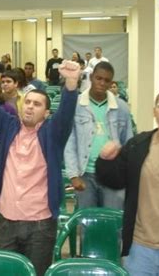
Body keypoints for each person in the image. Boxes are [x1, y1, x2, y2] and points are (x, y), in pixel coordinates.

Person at [0, 47, 80, 276]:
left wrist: (71, 84)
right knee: (2, 272)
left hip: (40, 224)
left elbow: (66, 114)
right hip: (6, 221)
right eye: (28, 102)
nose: (30, 107)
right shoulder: (8, 126)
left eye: (37, 104)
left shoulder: (52, 134)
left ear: (46, 113)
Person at [96, 87, 159, 276]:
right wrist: (104, 160)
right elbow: (114, 180)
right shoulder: (137, 145)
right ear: (154, 111)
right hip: (139, 250)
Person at [64, 61, 133, 210]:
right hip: (85, 174)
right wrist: (73, 176)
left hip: (113, 174)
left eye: (107, 80)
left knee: (113, 221)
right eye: (98, 78)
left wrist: (127, 173)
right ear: (91, 77)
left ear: (111, 83)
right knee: (87, 224)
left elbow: (128, 143)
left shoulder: (121, 108)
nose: (102, 83)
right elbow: (70, 142)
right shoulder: (76, 105)